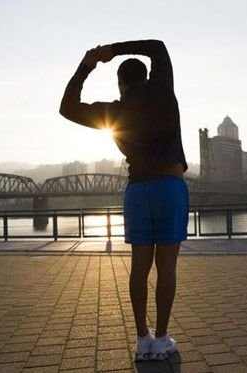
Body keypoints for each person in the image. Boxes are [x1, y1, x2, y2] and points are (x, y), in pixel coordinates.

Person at [59, 40, 188, 361]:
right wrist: (112, 50)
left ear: (121, 83)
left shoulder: (114, 111)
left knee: (139, 268)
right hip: (170, 187)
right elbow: (157, 46)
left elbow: (67, 107)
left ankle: (142, 340)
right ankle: (161, 339)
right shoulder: (162, 89)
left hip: (137, 191)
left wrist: (87, 65)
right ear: (146, 75)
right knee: (166, 267)